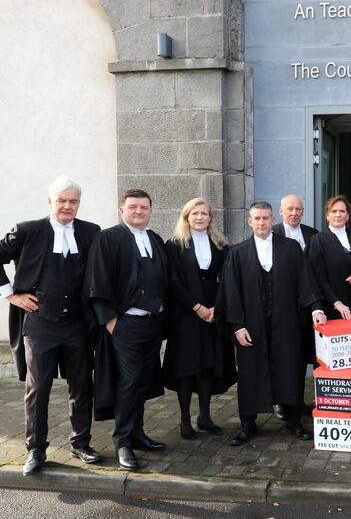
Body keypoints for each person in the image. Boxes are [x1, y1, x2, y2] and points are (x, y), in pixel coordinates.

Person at [0, 177, 101, 476]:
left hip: (78, 325)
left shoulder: (91, 231)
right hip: (40, 325)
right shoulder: (27, 230)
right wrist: (11, 295)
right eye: (62, 200)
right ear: (50, 201)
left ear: (79, 204)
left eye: (73, 201)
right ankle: (35, 449)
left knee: (82, 386)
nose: (67, 206)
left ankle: (81, 443)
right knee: (38, 389)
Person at [221, 201, 326, 445]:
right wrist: (237, 326)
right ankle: (248, 423)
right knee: (250, 372)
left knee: (289, 369)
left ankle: (293, 420)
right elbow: (231, 292)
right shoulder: (237, 252)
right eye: (257, 218)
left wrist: (316, 308)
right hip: (251, 325)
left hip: (286, 321)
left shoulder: (290, 247)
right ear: (250, 221)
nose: (261, 222)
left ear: (272, 220)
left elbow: (305, 280)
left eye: (265, 218)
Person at [86, 189, 168, 471]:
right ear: (122, 210)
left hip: (152, 323)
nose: (139, 211)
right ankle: (122, 441)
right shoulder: (108, 238)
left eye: (144, 207)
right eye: (133, 207)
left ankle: (137, 433)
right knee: (130, 381)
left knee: (143, 380)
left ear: (151, 211)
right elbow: (97, 279)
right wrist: (110, 321)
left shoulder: (154, 239)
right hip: (125, 324)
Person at [162, 198, 235, 440]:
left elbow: (227, 279)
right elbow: (173, 281)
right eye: (194, 214)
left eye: (204, 213)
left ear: (211, 218)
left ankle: (205, 416)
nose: (200, 217)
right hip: (186, 315)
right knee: (186, 367)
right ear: (186, 217)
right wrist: (196, 307)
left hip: (213, 314)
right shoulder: (174, 245)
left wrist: (217, 308)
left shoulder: (221, 245)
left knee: (207, 366)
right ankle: (185, 420)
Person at [273, 194, 319, 417]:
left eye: (298, 209)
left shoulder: (313, 234)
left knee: (302, 356)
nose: (294, 213)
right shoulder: (271, 233)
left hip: (308, 306)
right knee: (283, 357)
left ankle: (298, 401)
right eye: (289, 209)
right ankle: (281, 402)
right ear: (280, 211)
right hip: (282, 307)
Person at [306, 195, 351, 322]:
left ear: (347, 216)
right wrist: (336, 302)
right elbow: (317, 278)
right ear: (327, 216)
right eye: (334, 211)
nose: (338, 215)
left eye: (342, 211)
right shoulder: (317, 241)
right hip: (331, 308)